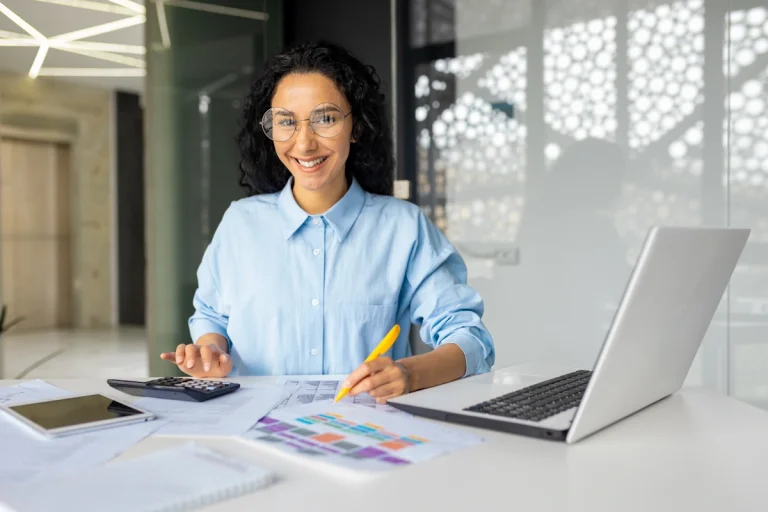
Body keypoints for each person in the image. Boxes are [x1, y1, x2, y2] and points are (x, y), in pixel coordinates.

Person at [160, 41, 495, 403]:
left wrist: (410, 374)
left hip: (363, 429)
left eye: (326, 119)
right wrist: (211, 350)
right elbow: (211, 316)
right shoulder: (240, 224)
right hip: (254, 425)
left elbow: (471, 340)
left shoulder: (403, 228)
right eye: (286, 122)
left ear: (357, 126)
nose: (304, 144)